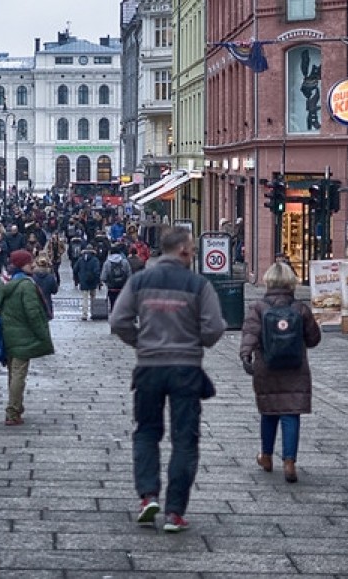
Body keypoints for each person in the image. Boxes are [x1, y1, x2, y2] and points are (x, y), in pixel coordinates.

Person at [109, 227, 226, 533]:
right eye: (193, 251)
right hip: (186, 369)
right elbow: (214, 327)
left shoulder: (140, 281)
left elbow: (118, 320)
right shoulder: (198, 284)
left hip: (149, 366)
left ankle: (148, 497)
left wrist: (141, 342)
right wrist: (194, 342)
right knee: (185, 439)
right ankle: (175, 512)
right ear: (185, 250)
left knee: (146, 432)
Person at [238, 261, 322, 484]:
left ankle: (266, 457)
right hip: (295, 368)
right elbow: (313, 339)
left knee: (269, 411)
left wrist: (246, 355)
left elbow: (250, 334)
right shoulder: (300, 309)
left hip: (267, 367)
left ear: (269, 282)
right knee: (290, 413)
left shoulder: (258, 307)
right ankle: (289, 462)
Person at [0, 250, 55, 426]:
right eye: (30, 263)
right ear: (22, 264)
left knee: (13, 374)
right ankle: (12, 412)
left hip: (7, 333)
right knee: (19, 374)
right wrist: (42, 335)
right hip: (24, 336)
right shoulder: (26, 285)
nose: (33, 265)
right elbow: (33, 313)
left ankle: (17, 408)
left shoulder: (2, 282)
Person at [73, 245, 102, 321]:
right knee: (93, 298)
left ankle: (84, 314)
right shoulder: (95, 260)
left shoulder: (81, 259)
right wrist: (98, 281)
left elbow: (75, 270)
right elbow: (97, 271)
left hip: (83, 281)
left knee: (84, 298)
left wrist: (77, 279)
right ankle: (93, 313)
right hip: (93, 282)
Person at [100, 243, 132, 310]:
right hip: (122, 286)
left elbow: (103, 277)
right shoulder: (125, 262)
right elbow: (129, 274)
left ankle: (113, 311)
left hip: (111, 287)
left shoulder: (107, 263)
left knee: (113, 302)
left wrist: (107, 282)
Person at [31, 254, 59, 319]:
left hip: (34, 304)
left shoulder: (32, 277)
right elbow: (54, 291)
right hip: (47, 304)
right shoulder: (50, 277)